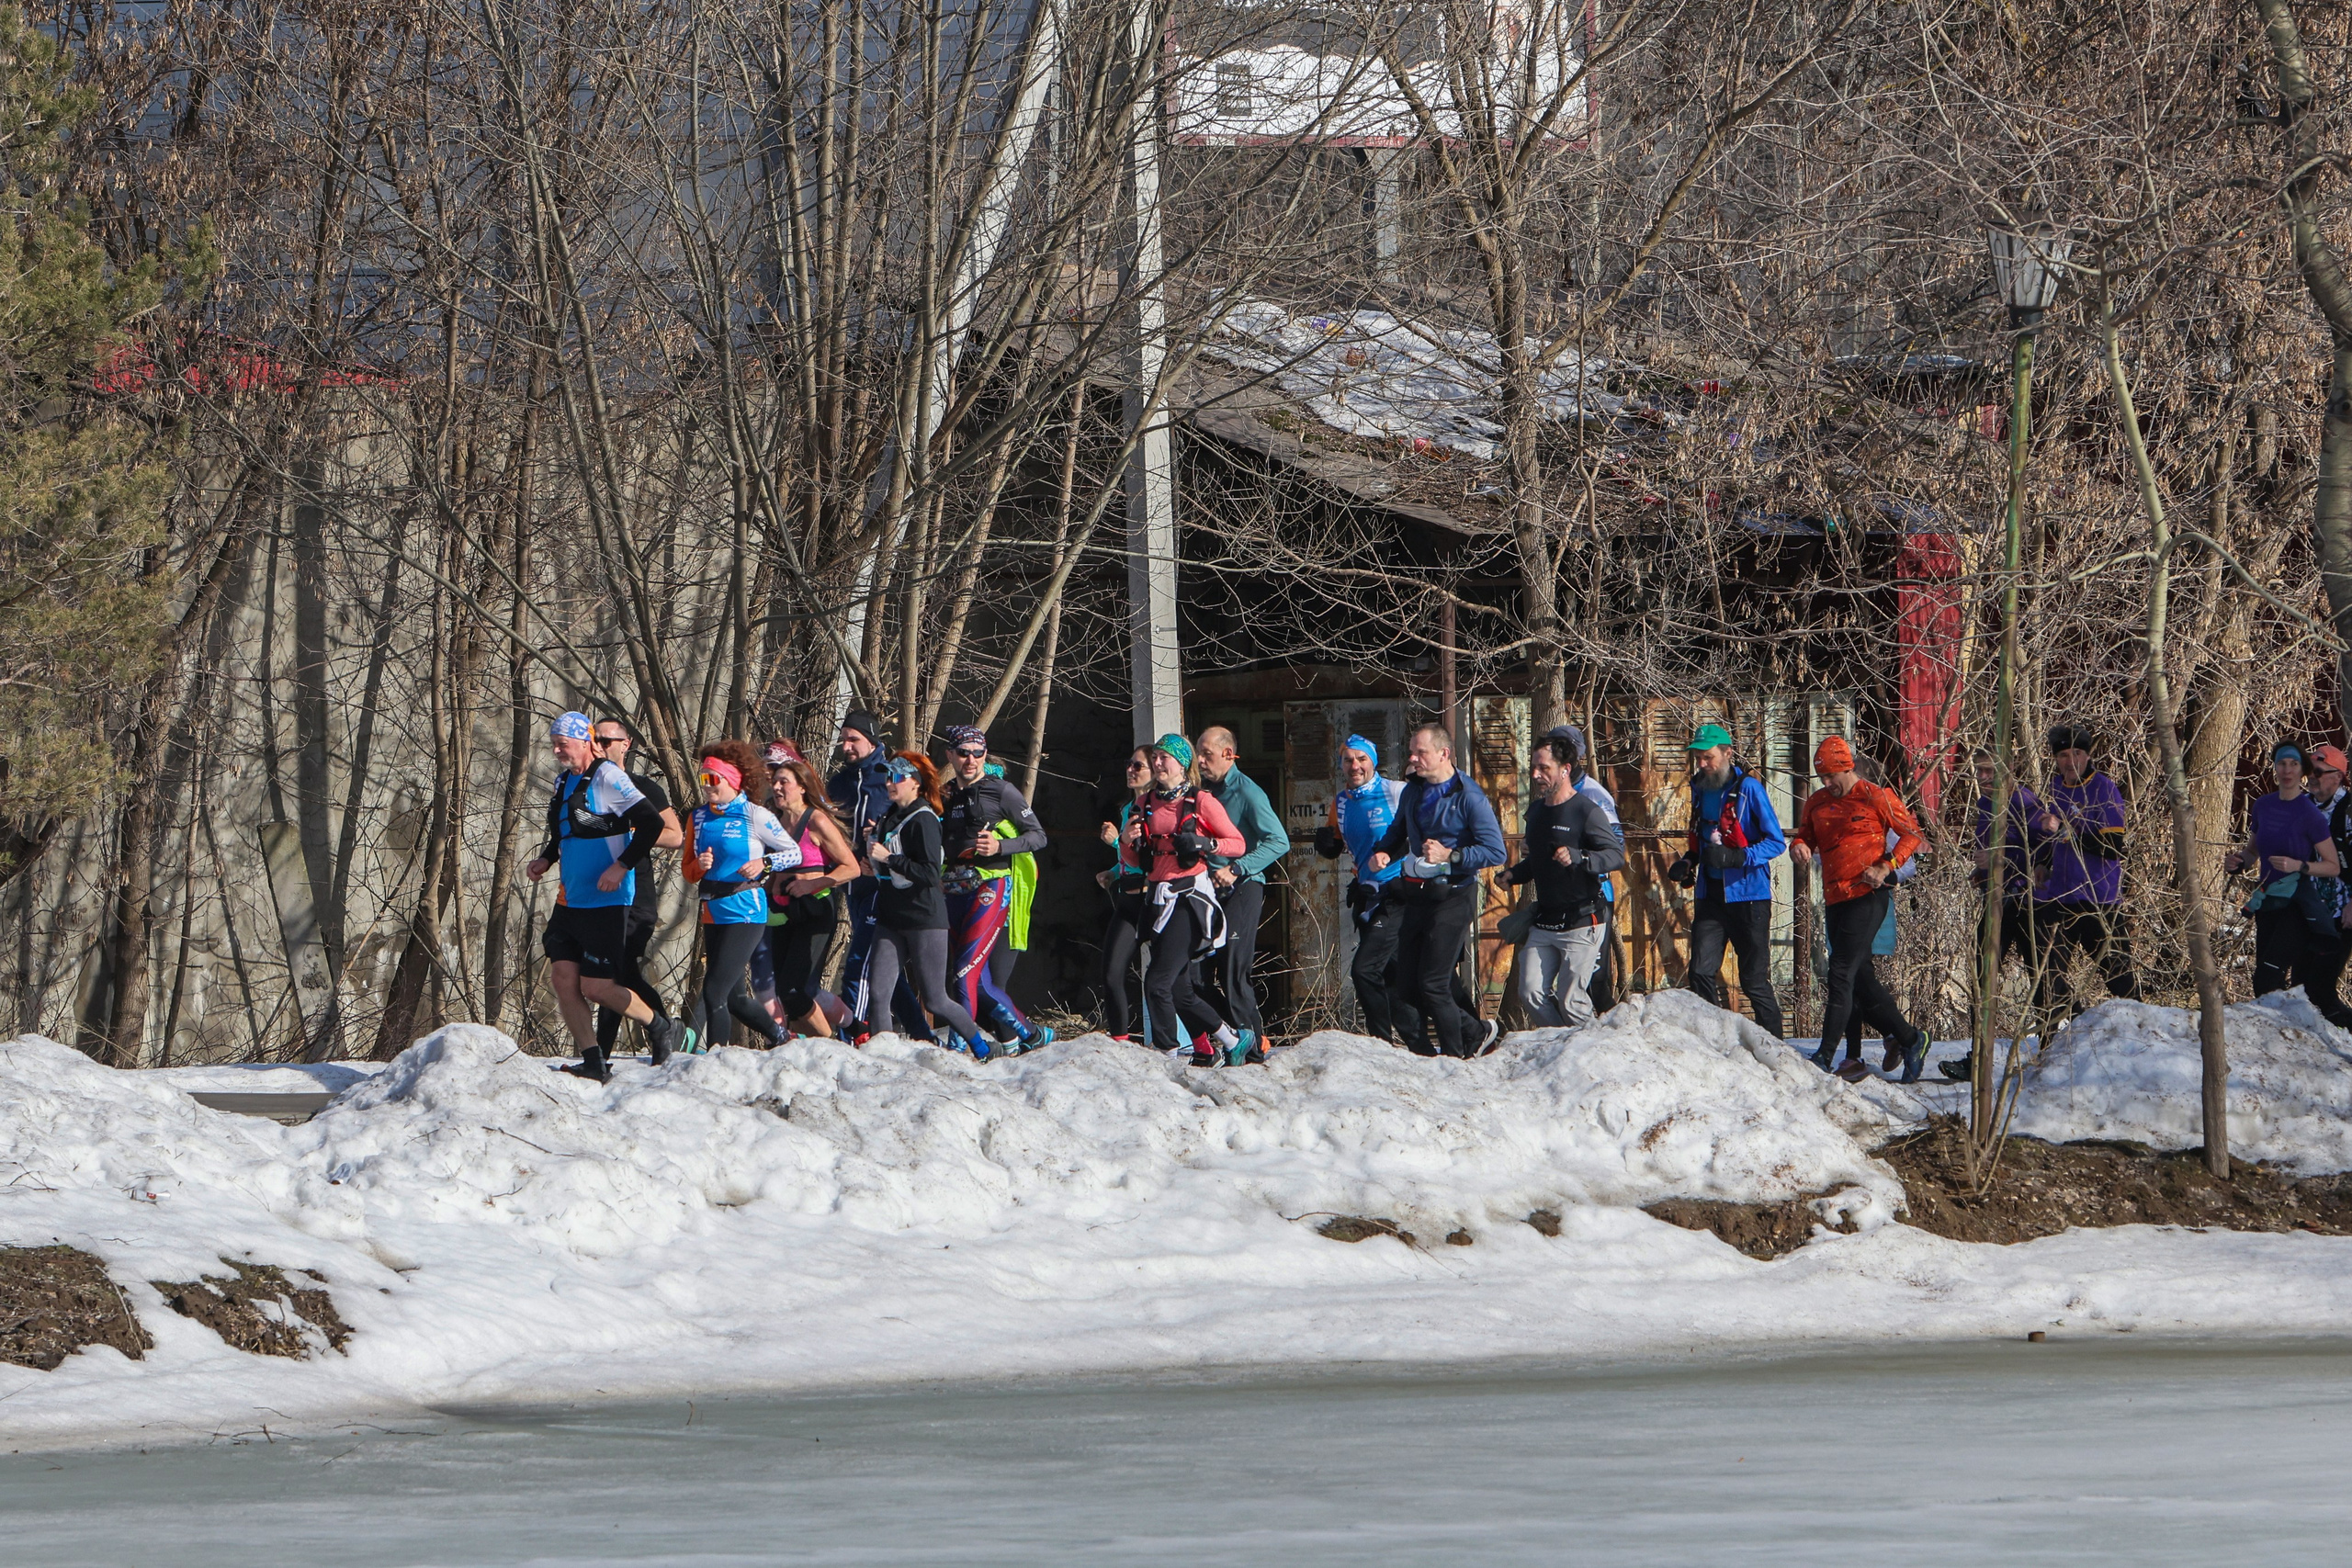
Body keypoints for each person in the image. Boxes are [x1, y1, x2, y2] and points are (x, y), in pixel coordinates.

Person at [526, 711, 683, 1082]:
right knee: (563, 978)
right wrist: (546, 859)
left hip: (606, 900)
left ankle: (659, 1025)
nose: (556, 750)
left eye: (562, 743)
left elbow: (653, 824)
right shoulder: (565, 781)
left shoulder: (608, 776)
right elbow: (566, 832)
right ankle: (593, 1059)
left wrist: (621, 866)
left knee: (595, 986)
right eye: (554, 743)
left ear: (585, 741)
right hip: (571, 897)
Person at [1790, 737, 1928, 1081]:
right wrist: (1799, 847)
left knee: (1840, 972)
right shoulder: (1817, 803)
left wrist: (1886, 865)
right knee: (1859, 977)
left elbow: (1911, 834)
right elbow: (1805, 834)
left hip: (1868, 894)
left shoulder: (1875, 796)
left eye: (1831, 776)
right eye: (1821, 777)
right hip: (1835, 897)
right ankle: (1911, 1038)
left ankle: (1826, 1054)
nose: (1826, 784)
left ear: (1846, 768)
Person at [1367, 723, 1507, 1058]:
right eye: (1412, 752)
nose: (1412, 758)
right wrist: (1385, 850)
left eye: (1420, 752)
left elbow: (1496, 851)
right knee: (1407, 985)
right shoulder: (1414, 790)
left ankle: (1456, 1055)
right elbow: (1398, 829)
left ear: (1443, 754)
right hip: (1418, 893)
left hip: (1454, 895)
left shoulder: (1468, 795)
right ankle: (1476, 1031)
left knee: (1433, 983)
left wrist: (1452, 855)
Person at [1124, 734, 1256, 1066]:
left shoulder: (1202, 801)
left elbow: (1237, 844)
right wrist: (1127, 840)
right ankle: (1232, 1039)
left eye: (1164, 758)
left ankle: (1166, 1057)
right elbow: (1134, 860)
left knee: (1157, 983)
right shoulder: (1143, 804)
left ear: (1183, 764)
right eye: (1154, 757)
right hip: (1157, 900)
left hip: (1190, 899)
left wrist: (1205, 845)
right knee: (1181, 990)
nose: (1157, 764)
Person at [855, 750, 993, 1055]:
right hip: (890, 917)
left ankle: (982, 1046)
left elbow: (930, 873)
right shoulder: (889, 816)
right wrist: (873, 867)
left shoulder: (925, 819)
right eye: (887, 777)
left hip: (924, 919)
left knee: (935, 999)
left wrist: (888, 858)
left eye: (897, 777)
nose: (890, 783)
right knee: (879, 993)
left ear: (915, 784)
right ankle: (884, 1058)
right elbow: (889, 866)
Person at [679, 741, 803, 1051]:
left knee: (714, 991)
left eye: (712, 779)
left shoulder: (754, 814)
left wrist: (765, 862)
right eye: (702, 779)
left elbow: (795, 852)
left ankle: (715, 1056)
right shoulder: (698, 818)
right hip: (713, 909)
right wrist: (699, 865)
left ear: (732, 780)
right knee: (733, 998)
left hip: (746, 909)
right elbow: (688, 871)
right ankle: (780, 1037)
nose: (706, 787)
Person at [1666, 724, 1787, 1038]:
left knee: (1753, 980)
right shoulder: (1699, 787)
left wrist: (1737, 858)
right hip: (1711, 894)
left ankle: (1777, 1048)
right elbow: (1702, 837)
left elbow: (1776, 842)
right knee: (1700, 971)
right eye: (1699, 758)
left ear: (1728, 753)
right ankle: (1717, 1039)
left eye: (1709, 758)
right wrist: (1688, 861)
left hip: (1748, 896)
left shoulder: (1749, 789)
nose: (1703, 764)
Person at [939, 724, 1053, 1053]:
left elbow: (1038, 836)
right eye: (963, 753)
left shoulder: (1001, 790)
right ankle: (1032, 1034)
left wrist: (1001, 846)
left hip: (991, 886)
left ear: (985, 755)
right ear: (951, 755)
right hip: (953, 890)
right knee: (979, 981)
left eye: (978, 753)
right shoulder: (945, 794)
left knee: (965, 972)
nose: (971, 760)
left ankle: (960, 1047)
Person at [1503, 736, 1626, 1028]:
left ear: (1565, 769)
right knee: (1531, 993)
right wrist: (1514, 875)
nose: (1536, 775)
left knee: (1572, 1003)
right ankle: (1562, 1051)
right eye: (1533, 768)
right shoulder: (1536, 812)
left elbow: (1615, 856)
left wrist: (1580, 857)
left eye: (1544, 768)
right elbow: (1539, 861)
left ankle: (1591, 1053)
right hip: (1545, 921)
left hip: (1582, 921)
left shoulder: (1586, 811)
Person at [580, 718, 684, 1059]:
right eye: (594, 739)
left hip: (634, 895)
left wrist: (633, 829)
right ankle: (651, 1039)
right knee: (613, 976)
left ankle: (664, 1031)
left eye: (606, 740)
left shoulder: (642, 789)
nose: (599, 745)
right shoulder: (585, 788)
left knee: (617, 972)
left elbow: (674, 835)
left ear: (625, 744)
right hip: (595, 896)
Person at [2026, 726, 2137, 1024]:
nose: (2070, 760)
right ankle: (2073, 1031)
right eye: (2063, 755)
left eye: (2077, 753)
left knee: (2119, 979)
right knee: (2046, 975)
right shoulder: (2055, 788)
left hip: (2098, 897)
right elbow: (2052, 839)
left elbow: (2113, 846)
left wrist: (2065, 831)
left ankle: (2148, 1036)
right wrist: (2043, 863)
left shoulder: (2104, 789)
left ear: (2088, 755)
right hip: (2059, 896)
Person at [1942, 750, 2041, 1081]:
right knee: (1983, 977)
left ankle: (2058, 1045)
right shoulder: (1985, 805)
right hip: (1993, 899)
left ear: (2009, 769)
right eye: (1979, 772)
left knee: (2040, 976)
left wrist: (2000, 860)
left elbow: (2041, 854)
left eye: (1989, 772)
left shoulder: (2025, 803)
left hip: (2024, 902)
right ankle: (1977, 1061)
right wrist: (1981, 871)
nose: (1983, 779)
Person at [1313, 734, 1416, 1043]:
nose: (1354, 766)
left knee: (1365, 970)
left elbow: (1420, 830)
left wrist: (1398, 853)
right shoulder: (1341, 801)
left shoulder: (1396, 791)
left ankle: (1380, 1043)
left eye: (1361, 759)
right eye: (1348, 760)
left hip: (1397, 893)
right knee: (1391, 975)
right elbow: (1338, 841)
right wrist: (1329, 845)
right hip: (1366, 894)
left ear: (1373, 762)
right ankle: (1417, 1043)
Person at [827, 708, 922, 1035]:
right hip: (852, 888)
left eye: (853, 739)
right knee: (886, 974)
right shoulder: (838, 784)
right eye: (843, 740)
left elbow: (919, 824)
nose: (846, 746)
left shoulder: (890, 777)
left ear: (872, 740)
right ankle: (923, 1035)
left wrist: (881, 838)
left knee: (858, 969)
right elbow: (829, 834)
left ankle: (851, 1037)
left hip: (884, 888)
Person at [2223, 741, 2342, 1000]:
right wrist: (2239, 862)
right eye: (2282, 763)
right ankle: (2280, 1034)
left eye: (2294, 764)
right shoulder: (2263, 806)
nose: (2287, 770)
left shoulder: (2310, 814)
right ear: (2275, 768)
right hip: (2268, 901)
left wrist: (2299, 866)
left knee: (2267, 978)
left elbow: (2333, 867)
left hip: (2297, 903)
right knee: (2265, 986)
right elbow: (2253, 852)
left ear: (2302, 771)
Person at [1194, 727, 1291, 1043]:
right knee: (1194, 977)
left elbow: (1279, 841)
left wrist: (1238, 867)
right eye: (1198, 753)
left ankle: (1255, 1043)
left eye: (1206, 754)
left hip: (1243, 886)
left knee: (1234, 971)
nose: (1200, 760)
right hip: (1206, 891)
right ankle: (1234, 1037)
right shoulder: (1201, 793)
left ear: (1227, 754)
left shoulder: (1248, 792)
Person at [758, 739, 860, 1038]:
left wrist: (812, 884)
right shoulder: (774, 823)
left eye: (783, 782)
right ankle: (817, 1052)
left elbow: (850, 867)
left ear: (802, 786)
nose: (776, 787)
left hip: (815, 909)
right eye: (774, 781)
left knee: (794, 990)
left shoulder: (816, 821)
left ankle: (832, 1048)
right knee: (788, 992)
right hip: (781, 912)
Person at [1545, 723, 1622, 1015]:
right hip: (1557, 898)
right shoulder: (1550, 792)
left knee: (1595, 979)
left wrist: (1579, 857)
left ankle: (1610, 1042)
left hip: (1593, 897)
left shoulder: (1594, 794)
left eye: (1558, 750)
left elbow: (1616, 851)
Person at [1096, 748, 1152, 1041]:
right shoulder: (1126, 809)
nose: (1130, 769)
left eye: (1138, 765)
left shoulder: (1156, 808)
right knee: (1111, 972)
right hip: (1128, 898)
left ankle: (1199, 1043)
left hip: (1154, 899)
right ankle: (1120, 1042)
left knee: (1169, 981)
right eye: (1128, 764)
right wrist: (1112, 873)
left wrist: (1115, 842)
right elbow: (1127, 860)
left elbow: (1148, 858)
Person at [2300, 744, 2352, 1029]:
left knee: (2320, 991)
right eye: (2310, 771)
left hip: (2342, 914)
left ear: (2338, 776)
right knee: (2301, 990)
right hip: (2310, 910)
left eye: (2319, 772)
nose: (2312, 777)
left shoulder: (2349, 811)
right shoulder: (2303, 806)